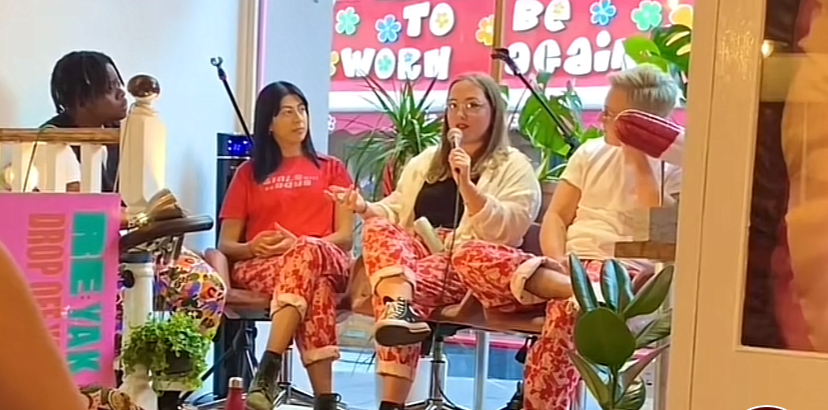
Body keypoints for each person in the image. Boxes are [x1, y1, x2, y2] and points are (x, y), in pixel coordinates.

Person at [328, 72, 572, 410]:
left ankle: (391, 396)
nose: (461, 114)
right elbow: (396, 211)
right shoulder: (425, 161)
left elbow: (508, 231)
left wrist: (468, 187)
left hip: (464, 262)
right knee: (380, 238)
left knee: (400, 288)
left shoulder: (514, 166)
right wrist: (364, 207)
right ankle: (402, 310)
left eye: (473, 106)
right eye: (453, 106)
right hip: (414, 261)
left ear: (493, 113)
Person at [444, 65, 682, 409]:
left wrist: (639, 158)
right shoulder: (589, 153)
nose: (600, 119)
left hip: (620, 275)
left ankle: (580, 302)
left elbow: (660, 237)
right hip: (559, 271)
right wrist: (558, 259)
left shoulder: (674, 165)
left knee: (566, 312)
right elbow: (556, 217)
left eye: (610, 114)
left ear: (640, 122)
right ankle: (582, 295)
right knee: (470, 253)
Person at [218, 81, 354, 410]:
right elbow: (226, 244)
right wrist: (254, 247)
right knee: (315, 290)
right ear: (268, 122)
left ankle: (268, 367)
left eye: (302, 109)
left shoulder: (332, 168)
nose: (299, 118)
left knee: (306, 253)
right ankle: (325, 400)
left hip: (327, 258)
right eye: (287, 112)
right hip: (265, 266)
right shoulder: (249, 174)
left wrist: (303, 245)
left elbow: (346, 237)